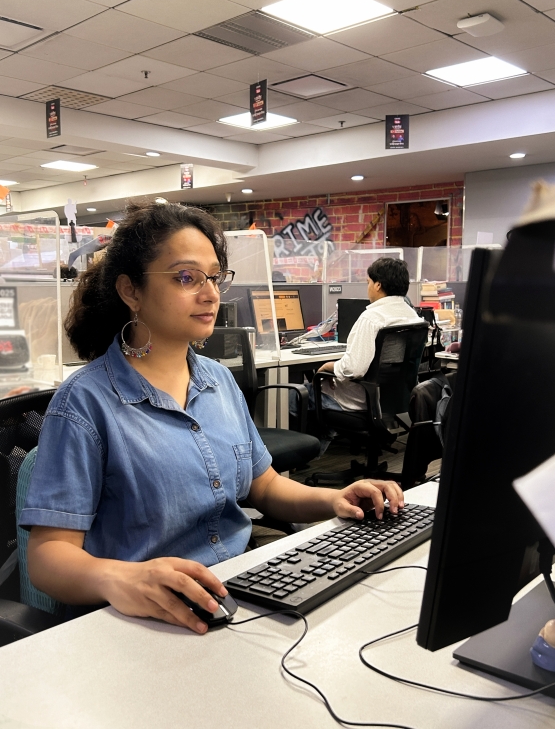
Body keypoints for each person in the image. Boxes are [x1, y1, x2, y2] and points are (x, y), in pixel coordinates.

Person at [20, 201, 404, 635]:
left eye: (214, 278)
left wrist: (334, 498)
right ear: (131, 291)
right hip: (144, 619)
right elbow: (48, 558)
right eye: (186, 278)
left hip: (235, 593)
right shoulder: (85, 402)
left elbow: (264, 485)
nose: (210, 294)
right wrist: (121, 577)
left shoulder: (218, 380)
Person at [317, 257, 422, 412]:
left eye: (369, 282)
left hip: (358, 402)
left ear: (378, 285)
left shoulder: (372, 318)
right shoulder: (413, 316)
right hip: (394, 399)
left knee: (296, 396)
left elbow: (355, 369)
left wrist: (328, 366)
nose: (368, 287)